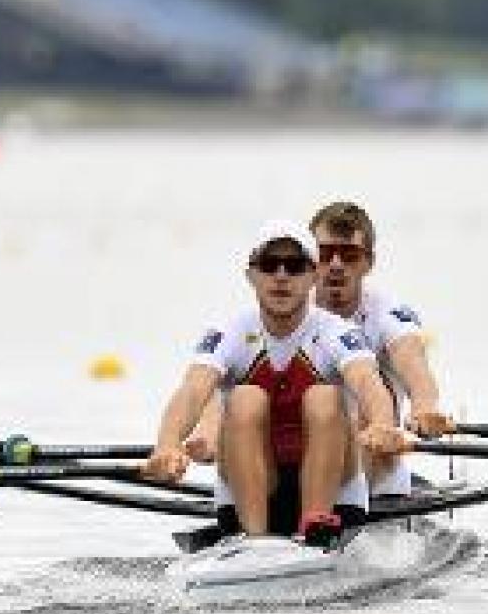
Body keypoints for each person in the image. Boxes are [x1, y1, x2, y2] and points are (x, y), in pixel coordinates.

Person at [142, 222, 407, 545]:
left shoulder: (336, 332)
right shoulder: (229, 332)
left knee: (324, 396)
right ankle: (254, 541)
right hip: (250, 489)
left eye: (294, 267)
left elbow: (368, 381)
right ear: (251, 276)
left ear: (313, 276)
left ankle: (315, 525)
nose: (281, 276)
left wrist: (382, 424)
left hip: (335, 494)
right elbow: (193, 389)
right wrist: (167, 444)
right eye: (269, 265)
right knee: (244, 397)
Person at [185, 201, 452, 500]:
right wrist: (207, 429)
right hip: (294, 472)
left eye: (349, 255)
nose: (336, 265)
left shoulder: (388, 316)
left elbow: (415, 366)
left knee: (350, 413)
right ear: (311, 261)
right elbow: (216, 379)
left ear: (368, 263)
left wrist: (424, 408)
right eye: (325, 254)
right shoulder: (277, 310)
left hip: (370, 477)